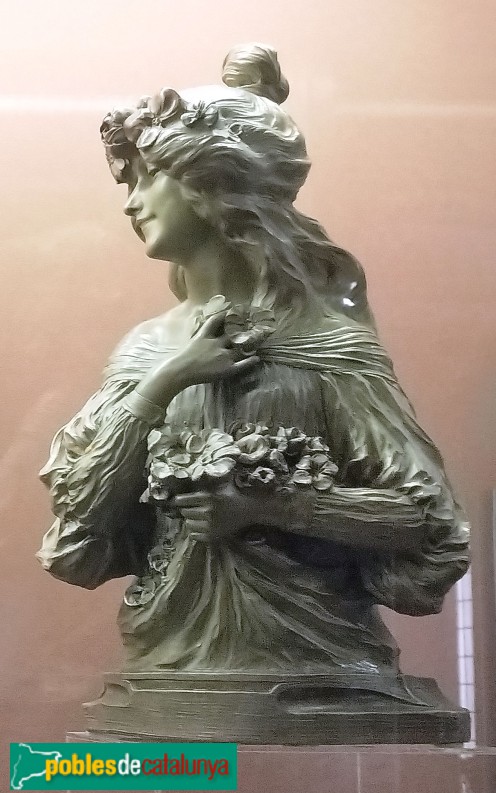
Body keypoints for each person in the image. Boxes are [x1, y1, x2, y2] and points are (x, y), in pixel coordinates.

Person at [37, 44, 469, 683]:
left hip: (320, 668)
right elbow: (79, 529)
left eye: (148, 179)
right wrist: (165, 381)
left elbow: (427, 520)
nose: (131, 203)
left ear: (213, 185)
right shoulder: (144, 351)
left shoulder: (328, 347)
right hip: (168, 664)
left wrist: (273, 506)